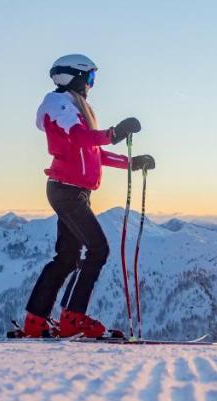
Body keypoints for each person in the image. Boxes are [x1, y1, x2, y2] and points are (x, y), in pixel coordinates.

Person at [22, 54, 154, 338]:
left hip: (71, 190)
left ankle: (35, 320)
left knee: (67, 257)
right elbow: (83, 138)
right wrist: (115, 132)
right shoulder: (58, 104)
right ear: (76, 77)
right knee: (98, 249)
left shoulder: (74, 107)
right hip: (66, 191)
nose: (92, 85)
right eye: (91, 78)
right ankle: (72, 318)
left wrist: (130, 162)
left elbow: (92, 150)